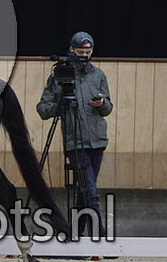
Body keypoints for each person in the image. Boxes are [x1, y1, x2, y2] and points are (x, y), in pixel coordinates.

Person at [36, 31, 113, 238]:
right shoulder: (59, 76)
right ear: (71, 50)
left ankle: (74, 235)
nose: (85, 56)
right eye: (81, 52)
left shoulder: (98, 75)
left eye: (88, 52)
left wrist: (101, 103)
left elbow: (108, 108)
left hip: (97, 140)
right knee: (90, 192)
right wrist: (60, 106)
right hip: (75, 142)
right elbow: (42, 108)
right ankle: (100, 237)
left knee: (84, 192)